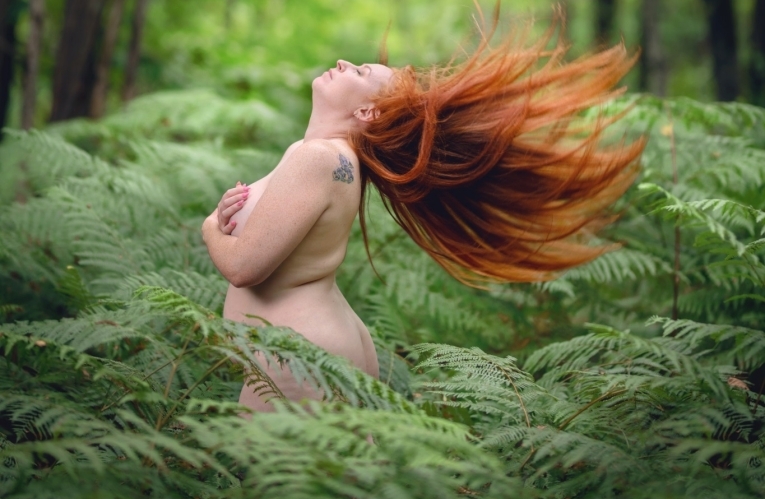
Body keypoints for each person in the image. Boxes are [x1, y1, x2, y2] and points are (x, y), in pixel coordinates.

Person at [201, 34, 643, 411]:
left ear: (368, 113)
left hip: (297, 356)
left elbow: (243, 268)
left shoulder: (319, 158)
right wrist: (232, 215)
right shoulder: (333, 160)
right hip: (309, 348)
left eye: (358, 73)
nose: (343, 63)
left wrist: (209, 229)